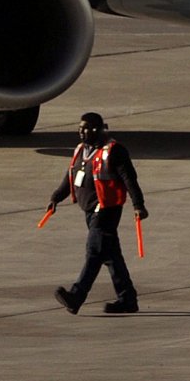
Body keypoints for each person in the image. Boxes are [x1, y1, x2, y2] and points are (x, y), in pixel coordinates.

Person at [50, 111, 147, 315]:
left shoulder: (114, 151)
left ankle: (76, 296)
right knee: (111, 255)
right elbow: (70, 178)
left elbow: (130, 179)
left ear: (97, 129)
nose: (81, 131)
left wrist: (138, 205)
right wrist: (56, 198)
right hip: (89, 211)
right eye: (80, 128)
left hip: (106, 211)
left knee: (94, 252)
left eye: (85, 128)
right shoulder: (81, 151)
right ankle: (127, 298)